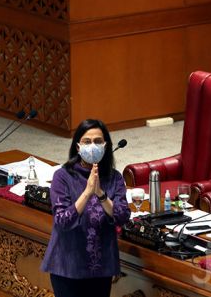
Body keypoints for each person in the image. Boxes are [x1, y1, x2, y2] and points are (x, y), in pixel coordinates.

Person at [41, 119, 131, 297]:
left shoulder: (114, 178)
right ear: (77, 147)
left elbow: (122, 216)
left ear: (105, 146)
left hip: (101, 266)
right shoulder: (62, 176)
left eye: (98, 141)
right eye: (87, 142)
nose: (93, 146)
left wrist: (101, 194)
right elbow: (62, 221)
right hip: (68, 266)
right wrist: (88, 192)